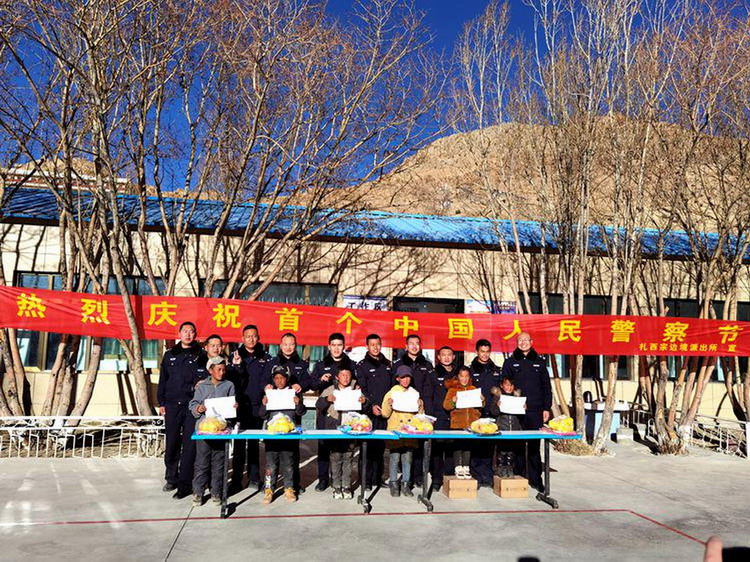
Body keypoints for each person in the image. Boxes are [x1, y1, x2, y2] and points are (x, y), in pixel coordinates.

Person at [157, 321, 206, 500]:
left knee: (189, 445)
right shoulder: (170, 355)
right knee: (171, 443)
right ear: (179, 334)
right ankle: (171, 477)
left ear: (195, 335)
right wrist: (161, 402)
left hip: (191, 406)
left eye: (191, 332)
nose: (188, 334)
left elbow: (207, 379)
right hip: (172, 405)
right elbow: (163, 380)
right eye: (185, 331)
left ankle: (185, 484)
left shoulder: (201, 355)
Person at [501, 332, 552, 490]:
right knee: (517, 444)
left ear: (531, 341)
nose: (523, 343)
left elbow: (546, 386)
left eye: (526, 340)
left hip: (535, 410)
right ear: (516, 342)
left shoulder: (540, 362)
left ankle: (536, 479)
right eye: (520, 340)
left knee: (534, 446)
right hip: (516, 410)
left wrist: (546, 408)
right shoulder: (510, 362)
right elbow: (504, 386)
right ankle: (520, 475)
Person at [307, 332, 355, 492]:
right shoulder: (321, 364)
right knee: (324, 445)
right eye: (333, 345)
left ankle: (340, 480)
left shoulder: (350, 364)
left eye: (339, 345)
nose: (336, 348)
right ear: (329, 346)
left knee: (344, 448)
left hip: (345, 413)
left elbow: (356, 384)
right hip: (325, 411)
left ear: (344, 346)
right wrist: (321, 380)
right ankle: (323, 479)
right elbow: (312, 385)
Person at [227, 324, 271, 493]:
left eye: (254, 336)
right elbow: (231, 379)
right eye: (248, 336)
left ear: (258, 337)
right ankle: (236, 480)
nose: (251, 339)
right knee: (238, 445)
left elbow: (267, 379)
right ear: (242, 338)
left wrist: (266, 390)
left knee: (254, 444)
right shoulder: (235, 356)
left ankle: (254, 478)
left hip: (257, 406)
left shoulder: (266, 357)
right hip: (239, 406)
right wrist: (237, 366)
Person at [190, 356, 237, 506]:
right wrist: (198, 408)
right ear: (210, 370)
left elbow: (231, 406)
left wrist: (233, 407)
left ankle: (216, 492)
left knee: (219, 462)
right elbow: (193, 403)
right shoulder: (202, 386)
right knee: (202, 463)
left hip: (221, 430)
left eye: (223, 369)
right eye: (218, 369)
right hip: (204, 431)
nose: (222, 372)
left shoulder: (229, 385)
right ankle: (198, 492)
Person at [315, 366, 367, 500]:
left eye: (348, 375)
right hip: (335, 429)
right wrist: (327, 400)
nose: (346, 377)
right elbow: (318, 404)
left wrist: (364, 402)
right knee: (336, 458)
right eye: (343, 375)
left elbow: (365, 407)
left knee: (348, 458)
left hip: (351, 429)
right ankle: (336, 486)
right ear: (337, 377)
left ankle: (346, 486)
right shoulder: (330, 390)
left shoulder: (356, 390)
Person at [263, 332, 306, 493]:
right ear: (280, 346)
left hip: (293, 413)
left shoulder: (301, 363)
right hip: (274, 415)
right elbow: (263, 381)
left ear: (296, 346)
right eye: (285, 344)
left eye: (291, 344)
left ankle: (293, 485)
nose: (288, 347)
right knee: (271, 458)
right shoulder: (272, 362)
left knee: (292, 454)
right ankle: (269, 486)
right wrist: (266, 387)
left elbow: (309, 382)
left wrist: (300, 386)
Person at [258, 365, 306, 504]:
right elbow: (262, 415)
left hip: (289, 435)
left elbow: (301, 412)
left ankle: (289, 488)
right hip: (272, 436)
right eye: (276, 378)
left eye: (282, 378)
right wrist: (264, 404)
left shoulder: (293, 392)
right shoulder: (269, 393)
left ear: (287, 378)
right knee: (271, 465)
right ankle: (269, 489)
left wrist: (298, 403)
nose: (279, 381)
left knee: (289, 464)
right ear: (273, 379)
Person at [392, 334, 434, 486]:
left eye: (417, 343)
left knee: (419, 445)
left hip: (420, 410)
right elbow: (393, 387)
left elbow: (430, 388)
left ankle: (417, 477)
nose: (414, 346)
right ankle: (405, 478)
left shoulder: (427, 365)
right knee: (405, 447)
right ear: (406, 346)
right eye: (411, 343)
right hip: (403, 412)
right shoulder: (398, 364)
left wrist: (427, 410)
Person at [356, 333, 392, 491]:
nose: (375, 347)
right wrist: (371, 406)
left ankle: (378, 478)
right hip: (368, 413)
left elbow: (392, 388)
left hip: (384, 413)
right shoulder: (362, 365)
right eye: (372, 345)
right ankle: (365, 480)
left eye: (377, 344)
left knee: (380, 447)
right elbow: (361, 390)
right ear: (367, 346)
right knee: (367, 448)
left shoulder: (387, 364)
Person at [381, 366, 424, 497]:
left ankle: (406, 483)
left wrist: (420, 406)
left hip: (409, 431)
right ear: (398, 378)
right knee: (394, 458)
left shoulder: (414, 393)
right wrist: (388, 404)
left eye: (408, 377)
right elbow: (384, 414)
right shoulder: (392, 393)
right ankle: (393, 483)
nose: (406, 380)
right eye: (403, 377)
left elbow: (420, 416)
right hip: (396, 430)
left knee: (407, 458)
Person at [469, 338, 503, 488]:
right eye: (482, 351)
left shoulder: (497, 370)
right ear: (477, 352)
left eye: (487, 351)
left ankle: (487, 476)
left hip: (492, 413)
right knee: (476, 446)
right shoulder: (470, 370)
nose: (485, 354)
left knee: (489, 447)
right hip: (476, 414)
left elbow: (503, 389)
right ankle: (476, 475)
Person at [443, 366, 485, 479]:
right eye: (462, 376)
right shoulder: (453, 390)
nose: (464, 379)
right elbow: (446, 406)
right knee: (457, 446)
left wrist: (482, 400)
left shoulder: (473, 389)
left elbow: (481, 406)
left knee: (467, 446)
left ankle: (466, 467)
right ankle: (458, 467)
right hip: (457, 423)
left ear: (470, 377)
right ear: (458, 377)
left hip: (471, 424)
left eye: (467, 376)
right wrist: (453, 402)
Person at [431, 345, 457, 490]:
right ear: (439, 357)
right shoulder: (433, 373)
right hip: (439, 416)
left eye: (449, 355)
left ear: (453, 357)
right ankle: (436, 479)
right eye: (443, 355)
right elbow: (428, 394)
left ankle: (449, 477)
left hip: (455, 417)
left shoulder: (458, 373)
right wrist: (430, 415)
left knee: (451, 449)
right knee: (437, 449)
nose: (446, 358)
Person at [489, 375, 525, 478]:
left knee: (511, 450)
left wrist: (523, 407)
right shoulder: (498, 397)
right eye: (507, 385)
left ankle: (509, 467)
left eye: (511, 385)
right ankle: (501, 467)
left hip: (514, 428)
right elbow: (493, 412)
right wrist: (497, 406)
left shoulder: (517, 398)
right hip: (502, 428)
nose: (509, 387)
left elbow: (521, 415)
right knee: (502, 449)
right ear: (502, 385)